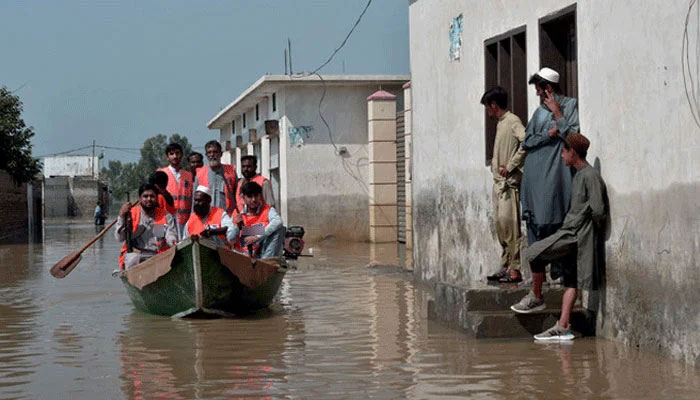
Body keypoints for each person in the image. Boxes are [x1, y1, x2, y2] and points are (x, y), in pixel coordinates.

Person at [520, 133, 609, 341]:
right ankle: (563, 325)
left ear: (573, 152)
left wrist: (584, 232)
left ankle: (537, 296)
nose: (561, 156)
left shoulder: (590, 176)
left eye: (563, 152)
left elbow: (598, 210)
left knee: (534, 253)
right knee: (571, 280)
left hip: (575, 235)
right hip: (571, 232)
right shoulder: (578, 174)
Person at [513, 67, 580, 312]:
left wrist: (558, 115)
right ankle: (536, 293)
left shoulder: (570, 106)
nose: (538, 94)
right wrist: (547, 133)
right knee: (534, 237)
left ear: (548, 88)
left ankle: (563, 305)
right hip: (533, 183)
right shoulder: (538, 113)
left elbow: (573, 136)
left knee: (556, 234)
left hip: (554, 184)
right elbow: (528, 141)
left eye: (539, 89)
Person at [481, 87, 527, 283]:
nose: (487, 111)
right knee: (501, 227)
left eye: (487, 107)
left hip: (509, 185)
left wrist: (511, 165)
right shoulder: (501, 124)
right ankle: (506, 266)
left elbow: (526, 143)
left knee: (510, 226)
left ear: (494, 105)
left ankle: (515, 270)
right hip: (498, 184)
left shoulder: (512, 121)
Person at [115, 183, 177, 269]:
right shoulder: (132, 214)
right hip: (136, 256)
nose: (149, 199)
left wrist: (173, 241)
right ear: (139, 199)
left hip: (157, 255)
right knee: (131, 259)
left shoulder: (164, 215)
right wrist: (121, 216)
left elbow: (170, 233)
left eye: (152, 196)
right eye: (145, 196)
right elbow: (120, 238)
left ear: (156, 198)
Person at [228, 182, 284, 259]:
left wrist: (257, 237)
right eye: (250, 196)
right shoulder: (237, 213)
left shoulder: (268, 210)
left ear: (260, 196)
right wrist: (237, 227)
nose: (253, 200)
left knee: (279, 229)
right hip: (241, 255)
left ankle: (266, 262)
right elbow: (230, 239)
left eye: (256, 196)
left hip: (261, 254)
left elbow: (278, 222)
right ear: (243, 197)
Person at [158, 143, 194, 239]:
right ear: (167, 157)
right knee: (158, 243)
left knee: (183, 243)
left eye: (177, 153)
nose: (175, 156)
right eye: (172, 154)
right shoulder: (160, 174)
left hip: (184, 220)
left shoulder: (189, 176)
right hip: (162, 218)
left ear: (181, 155)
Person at [192, 141, 238, 215]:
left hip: (227, 216)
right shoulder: (200, 174)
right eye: (209, 152)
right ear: (206, 155)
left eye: (215, 152)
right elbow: (194, 201)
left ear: (221, 154)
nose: (212, 155)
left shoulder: (231, 171)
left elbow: (237, 196)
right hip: (208, 217)